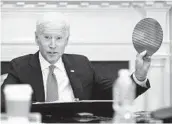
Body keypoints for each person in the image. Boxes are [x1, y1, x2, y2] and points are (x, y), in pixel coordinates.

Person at [1, 12, 151, 106]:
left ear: (66, 40)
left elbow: (114, 93)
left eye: (59, 38)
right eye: (47, 37)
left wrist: (139, 76)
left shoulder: (81, 64)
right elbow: (3, 104)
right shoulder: (20, 66)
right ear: (36, 38)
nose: (53, 45)